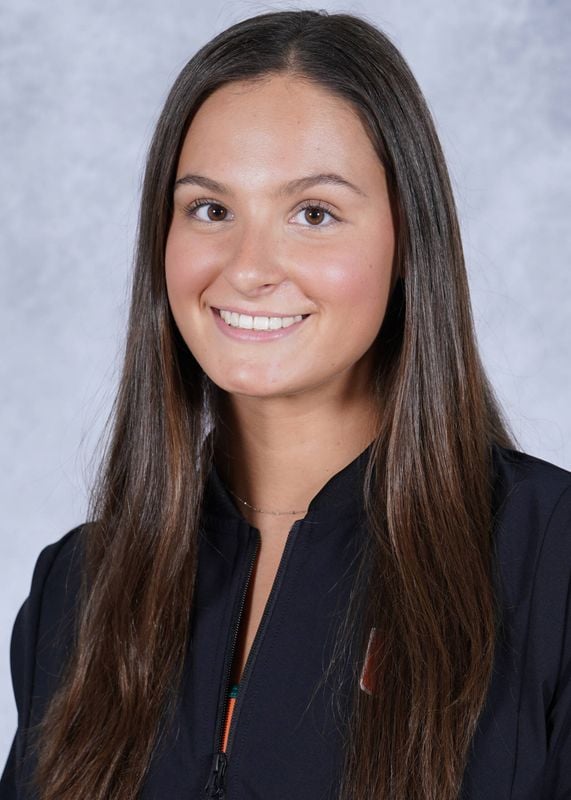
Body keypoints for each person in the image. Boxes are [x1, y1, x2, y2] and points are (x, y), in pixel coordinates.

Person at [1, 9, 570, 800]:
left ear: (407, 243)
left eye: (313, 214)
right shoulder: (77, 590)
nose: (248, 268)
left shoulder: (549, 561)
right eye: (210, 210)